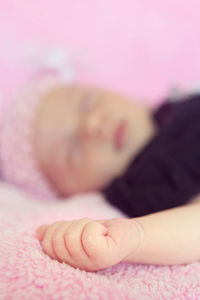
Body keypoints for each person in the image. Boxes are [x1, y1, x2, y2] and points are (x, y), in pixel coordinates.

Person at [1, 79, 200, 272]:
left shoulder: (173, 108)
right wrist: (136, 237)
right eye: (73, 149)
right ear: (68, 195)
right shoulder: (149, 183)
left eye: (87, 103)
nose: (92, 124)